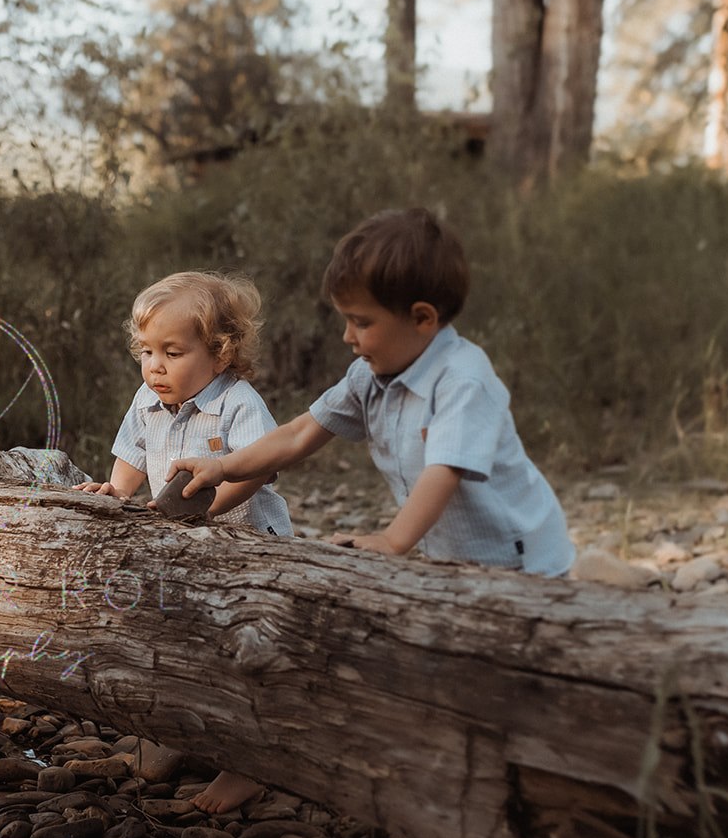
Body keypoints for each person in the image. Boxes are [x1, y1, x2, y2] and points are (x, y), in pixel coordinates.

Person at [165, 207, 574, 579]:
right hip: (460, 562)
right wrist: (223, 468)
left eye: (361, 322)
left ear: (422, 318)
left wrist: (393, 542)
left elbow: (443, 471)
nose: (348, 336)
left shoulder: (461, 382)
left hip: (522, 558)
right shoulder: (369, 376)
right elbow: (300, 433)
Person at [75, 269, 292, 814]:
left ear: (219, 354)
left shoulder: (238, 403)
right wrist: (115, 491)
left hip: (248, 550)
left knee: (238, 654)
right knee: (177, 642)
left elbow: (257, 470)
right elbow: (130, 458)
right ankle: (187, 732)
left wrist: (207, 507)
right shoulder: (146, 401)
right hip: (182, 550)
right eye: (146, 352)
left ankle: (248, 767)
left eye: (172, 352)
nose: (155, 366)